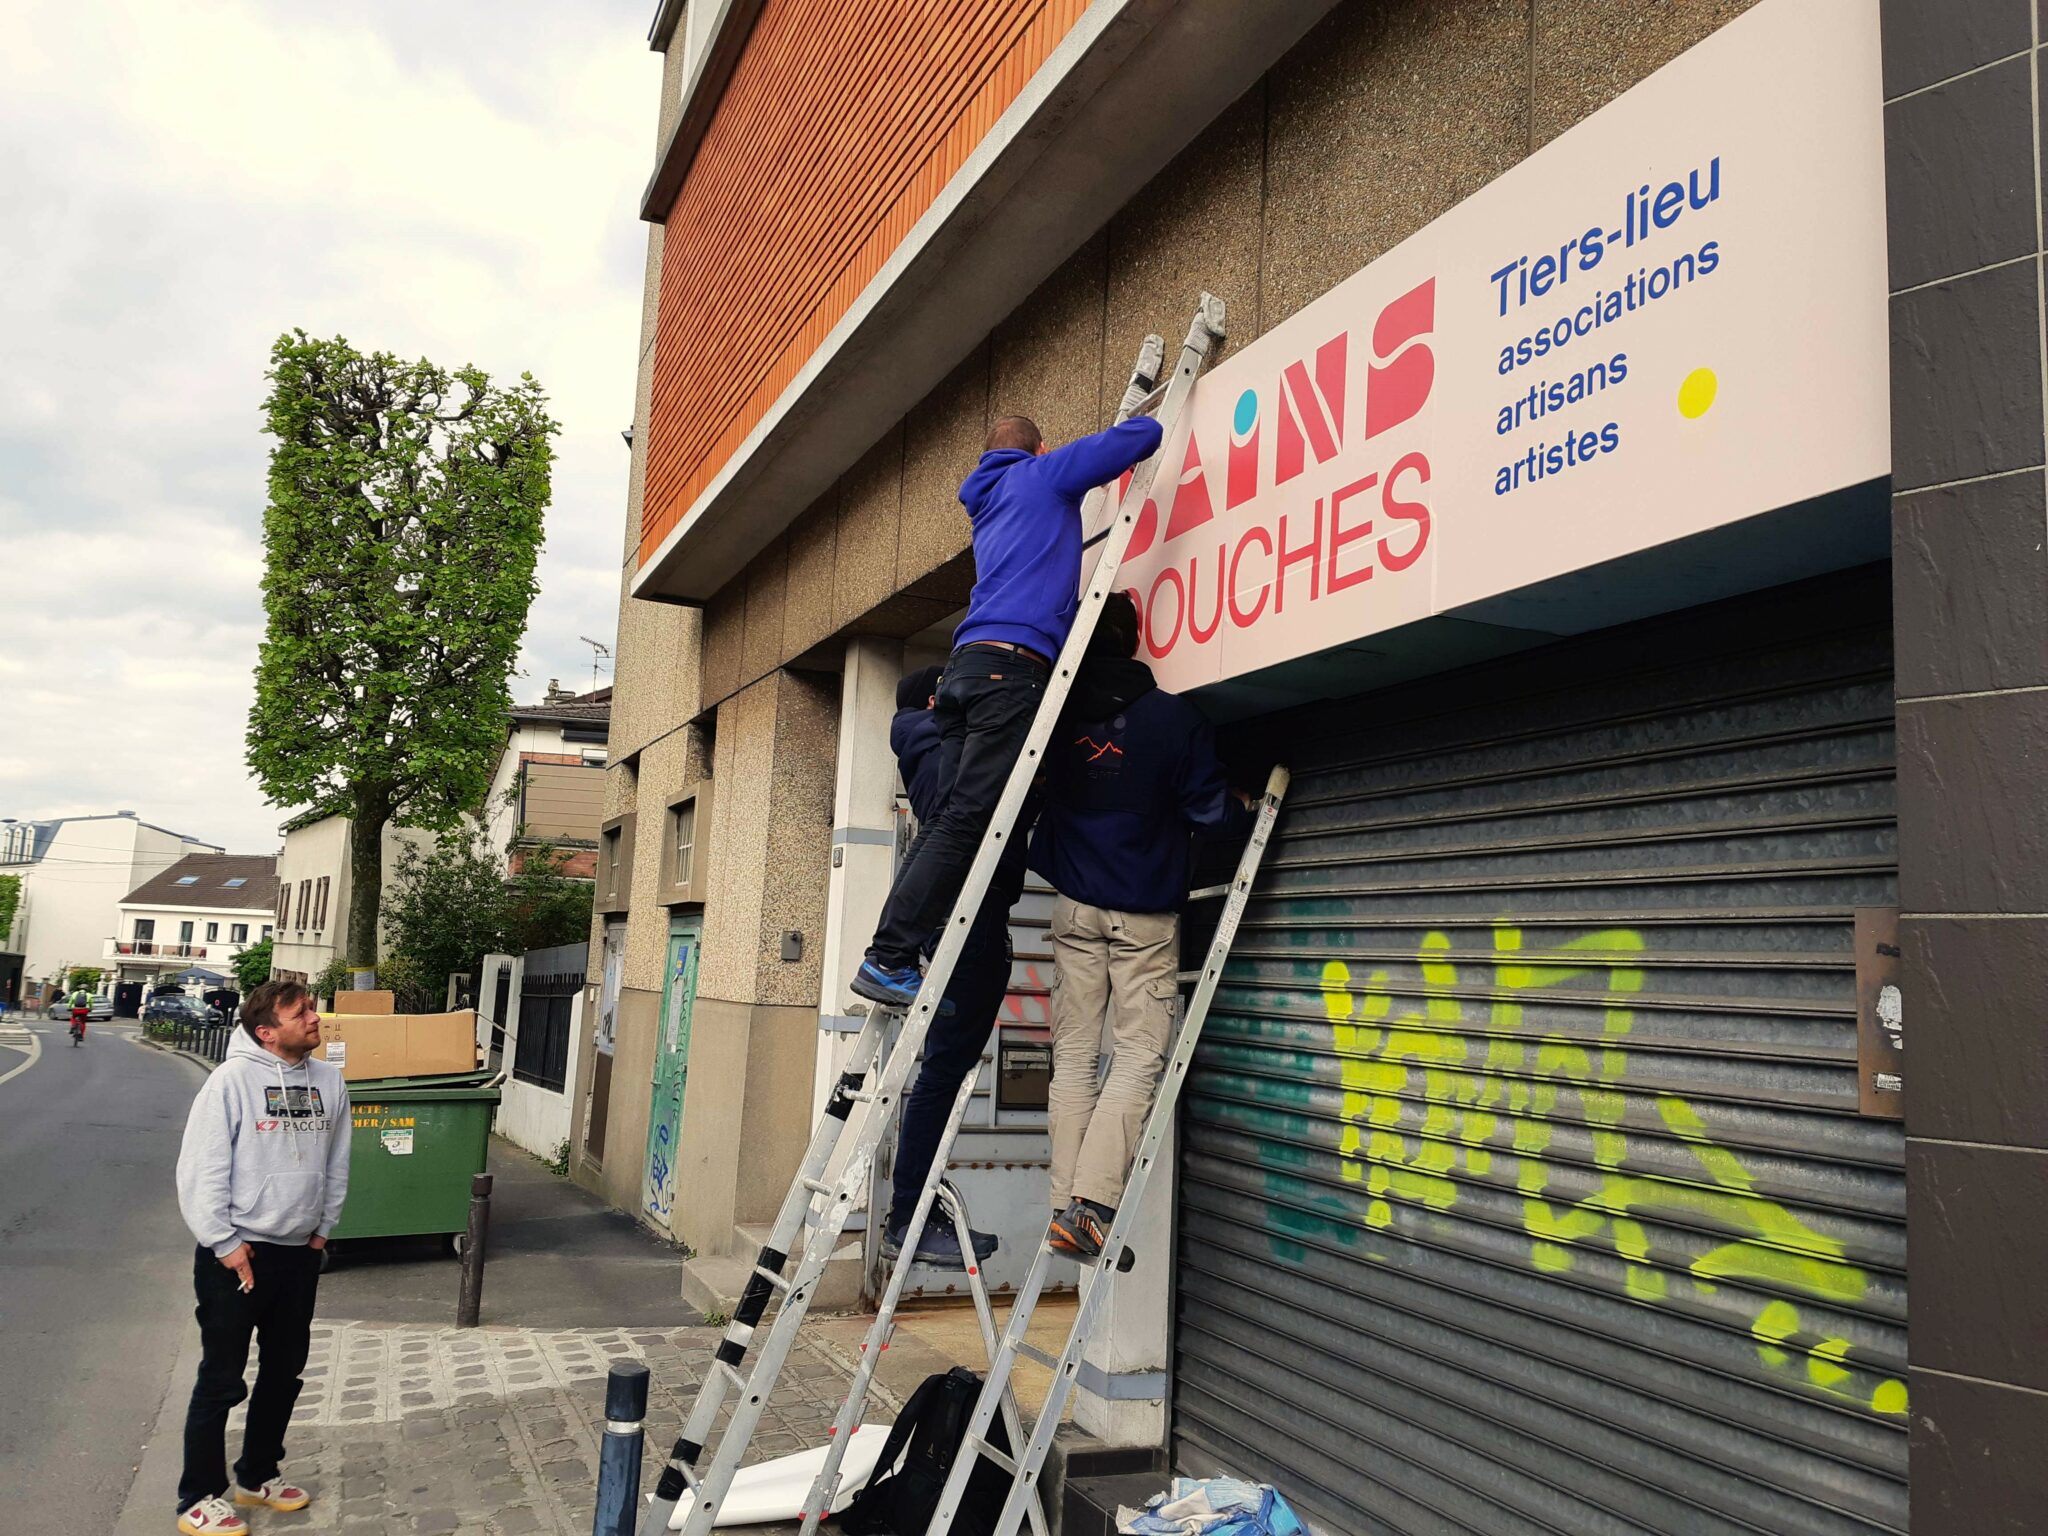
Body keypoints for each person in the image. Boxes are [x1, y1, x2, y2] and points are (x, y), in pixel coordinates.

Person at [850, 410, 1164, 1011]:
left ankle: (890, 952)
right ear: (1038, 448)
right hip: (1008, 671)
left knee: (948, 819)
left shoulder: (987, 499)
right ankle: (888, 956)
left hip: (966, 666)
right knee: (968, 819)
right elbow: (1143, 437)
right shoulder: (1041, 476)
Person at [1029, 593, 1250, 1258]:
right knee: (1138, 1058)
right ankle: (1092, 1208)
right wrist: (1241, 810)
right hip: (1143, 915)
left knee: (1072, 1059)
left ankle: (1067, 1205)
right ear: (1135, 639)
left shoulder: (1056, 713)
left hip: (1072, 908)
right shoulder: (1170, 719)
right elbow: (1210, 813)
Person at [173, 979, 351, 1535]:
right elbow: (201, 1169)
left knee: (283, 1373)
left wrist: (323, 1230)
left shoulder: (329, 1081)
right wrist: (226, 1243)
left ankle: (257, 1475)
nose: (314, 1017)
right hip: (237, 1254)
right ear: (266, 1032)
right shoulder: (230, 1082)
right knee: (222, 1379)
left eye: (313, 1008)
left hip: (298, 1254)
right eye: (300, 1012)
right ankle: (198, 1496)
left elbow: (338, 1157)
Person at [879, 664, 1026, 1270]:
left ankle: (913, 1211)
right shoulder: (936, 745)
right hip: (964, 924)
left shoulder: (926, 742)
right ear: (935, 701)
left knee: (946, 1067)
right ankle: (909, 1215)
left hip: (967, 921)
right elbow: (961, 816)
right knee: (943, 1071)